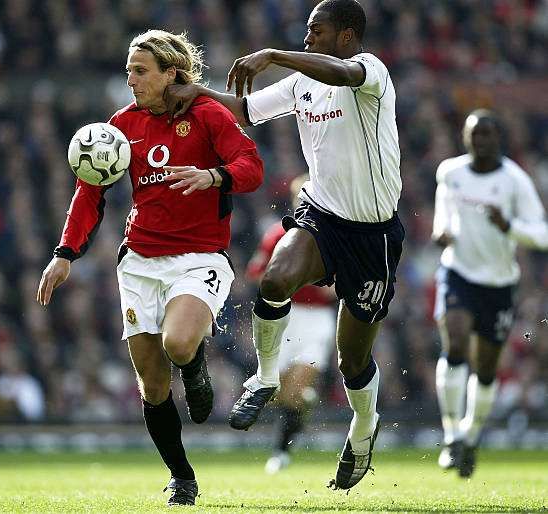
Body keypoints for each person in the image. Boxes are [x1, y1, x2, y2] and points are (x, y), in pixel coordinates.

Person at [165, 0, 404, 490]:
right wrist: (195, 93)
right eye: (307, 29)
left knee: (352, 360)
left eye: (317, 29)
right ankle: (266, 376)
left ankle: (363, 428)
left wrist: (273, 53)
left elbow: (342, 74)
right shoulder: (301, 84)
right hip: (321, 213)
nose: (308, 35)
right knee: (275, 278)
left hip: (373, 232)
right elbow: (246, 111)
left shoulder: (370, 72)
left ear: (346, 35)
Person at [36, 30, 263, 506]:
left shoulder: (207, 115)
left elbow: (251, 166)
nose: (131, 80)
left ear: (171, 74)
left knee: (178, 343)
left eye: (140, 71)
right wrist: (64, 254)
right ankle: (182, 475)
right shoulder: (122, 124)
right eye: (128, 71)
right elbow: (89, 193)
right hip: (139, 262)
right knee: (153, 382)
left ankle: (195, 364)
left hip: (200, 256)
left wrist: (213, 175)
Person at [432, 109, 548, 478]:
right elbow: (443, 213)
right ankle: (451, 436)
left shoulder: (515, 181)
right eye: (473, 134)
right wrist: (442, 232)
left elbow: (542, 234)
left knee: (484, 371)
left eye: (486, 134)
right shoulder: (450, 172)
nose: (479, 141)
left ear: (499, 138)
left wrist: (509, 226)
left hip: (498, 284)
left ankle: (471, 436)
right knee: (454, 346)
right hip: (458, 273)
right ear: (465, 138)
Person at [246, 175, 337, 474]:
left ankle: (280, 451)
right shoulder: (277, 234)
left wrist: (332, 288)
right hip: (285, 316)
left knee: (296, 388)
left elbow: (343, 282)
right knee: (281, 394)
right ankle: (299, 412)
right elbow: (257, 274)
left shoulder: (334, 235)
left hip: (316, 319)